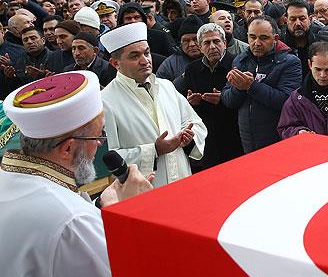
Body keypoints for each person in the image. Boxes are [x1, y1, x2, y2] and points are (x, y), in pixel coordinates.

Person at [0, 71, 153, 277]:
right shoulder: (70, 221)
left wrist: (101, 206)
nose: (100, 144)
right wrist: (131, 214)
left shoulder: (12, 182)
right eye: (97, 136)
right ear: (68, 149)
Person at [101, 23, 207, 187]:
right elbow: (108, 159)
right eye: (134, 56)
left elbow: (196, 123)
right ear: (115, 63)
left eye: (147, 53)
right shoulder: (105, 101)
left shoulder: (166, 86)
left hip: (182, 179)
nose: (145, 61)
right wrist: (154, 150)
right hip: (143, 190)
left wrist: (188, 138)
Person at [222, 15, 302, 152]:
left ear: (275, 38)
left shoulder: (290, 62)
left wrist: (251, 86)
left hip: (278, 138)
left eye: (264, 38)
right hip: (247, 139)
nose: (257, 43)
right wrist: (239, 87)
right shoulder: (240, 60)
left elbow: (286, 100)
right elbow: (228, 100)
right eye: (252, 37)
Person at [174, 23, 243, 171]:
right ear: (200, 47)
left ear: (224, 43)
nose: (212, 47)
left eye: (216, 41)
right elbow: (186, 106)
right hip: (207, 137)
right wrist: (192, 102)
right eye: (206, 43)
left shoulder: (237, 64)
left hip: (234, 134)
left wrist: (224, 99)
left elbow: (244, 100)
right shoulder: (192, 69)